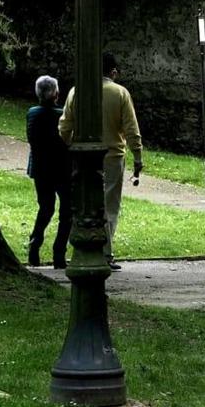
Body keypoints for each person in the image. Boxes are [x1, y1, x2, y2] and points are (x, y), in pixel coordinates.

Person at [59, 52, 143, 271]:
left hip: (81, 155)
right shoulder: (120, 93)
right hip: (113, 155)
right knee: (109, 205)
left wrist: (69, 146)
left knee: (84, 201)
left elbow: (65, 126)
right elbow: (131, 130)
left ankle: (81, 244)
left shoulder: (76, 92)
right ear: (112, 72)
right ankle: (105, 251)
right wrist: (138, 157)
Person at [26, 75, 72, 269]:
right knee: (67, 212)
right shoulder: (61, 115)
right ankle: (59, 254)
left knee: (46, 208)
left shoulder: (32, 113)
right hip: (62, 169)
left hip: (40, 169)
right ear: (56, 94)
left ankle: (34, 245)